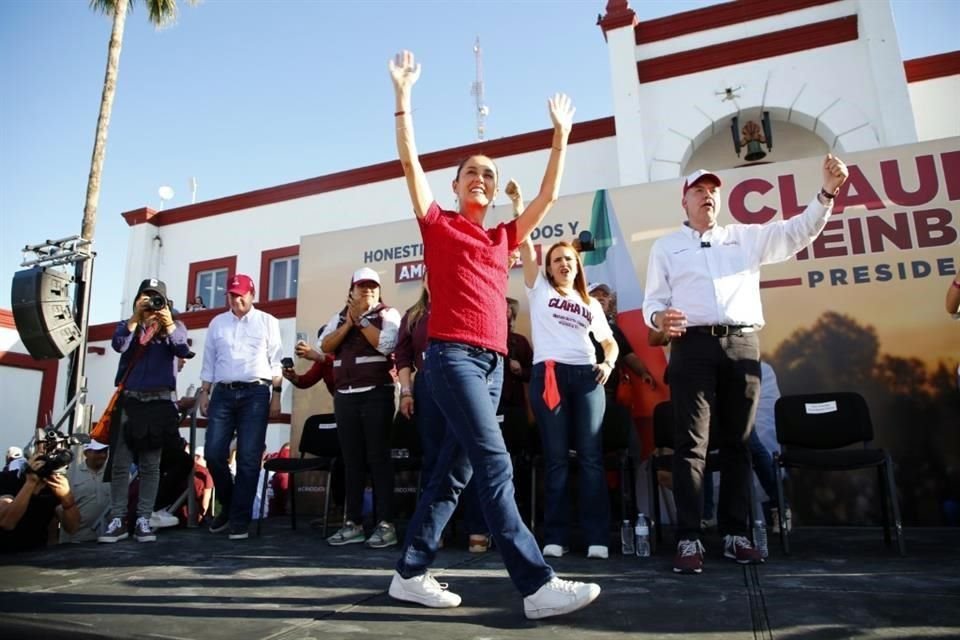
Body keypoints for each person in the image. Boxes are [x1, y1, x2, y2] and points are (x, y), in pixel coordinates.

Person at [387, 49, 599, 620]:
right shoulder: (439, 224)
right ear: (455, 186)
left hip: (494, 364)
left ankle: (409, 572)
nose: (481, 178)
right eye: (471, 172)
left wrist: (561, 136)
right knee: (495, 465)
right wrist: (403, 99)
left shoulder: (503, 237)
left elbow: (549, 198)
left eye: (490, 173)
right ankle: (536, 585)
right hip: (452, 358)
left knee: (453, 474)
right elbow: (409, 166)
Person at [642, 155, 849, 574]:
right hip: (692, 349)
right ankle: (689, 538)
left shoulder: (745, 237)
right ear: (685, 201)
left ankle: (737, 535)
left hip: (741, 344)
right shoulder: (666, 246)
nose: (708, 198)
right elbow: (653, 304)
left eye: (713, 192)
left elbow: (797, 232)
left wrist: (826, 193)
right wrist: (659, 319)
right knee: (691, 446)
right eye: (699, 191)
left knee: (738, 443)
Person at [396, 276, 490, 553]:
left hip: (463, 384)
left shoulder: (464, 304)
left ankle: (477, 528)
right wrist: (407, 392)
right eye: (430, 274)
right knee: (434, 459)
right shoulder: (414, 315)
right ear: (425, 280)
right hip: (427, 385)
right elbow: (402, 356)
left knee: (466, 457)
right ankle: (434, 531)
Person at [99, 278, 191, 544]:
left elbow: (182, 348)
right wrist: (134, 318)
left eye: (156, 298)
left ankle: (143, 517)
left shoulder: (175, 327)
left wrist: (168, 322)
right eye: (146, 297)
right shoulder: (131, 324)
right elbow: (119, 345)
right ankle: (118, 519)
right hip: (131, 400)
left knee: (151, 464)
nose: (152, 303)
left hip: (159, 402)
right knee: (120, 462)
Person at [319, 266, 401, 549]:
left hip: (377, 393)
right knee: (352, 460)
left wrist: (363, 322)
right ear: (351, 291)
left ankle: (386, 524)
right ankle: (353, 523)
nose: (367, 290)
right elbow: (326, 345)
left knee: (378, 459)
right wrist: (349, 323)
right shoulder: (338, 317)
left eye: (372, 287)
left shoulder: (388, 314)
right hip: (345, 396)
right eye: (361, 286)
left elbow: (388, 344)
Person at [198, 273, 283, 541]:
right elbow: (209, 360)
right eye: (232, 295)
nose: (236, 300)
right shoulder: (217, 323)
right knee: (212, 452)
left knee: (248, 457)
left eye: (240, 294)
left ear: (251, 294)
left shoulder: (268, 322)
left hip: (256, 392)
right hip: (222, 392)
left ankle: (238, 517)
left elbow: (276, 362)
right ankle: (232, 502)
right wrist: (204, 391)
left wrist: (277, 395)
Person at [0, 452, 81, 552]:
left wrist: (67, 499)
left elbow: (72, 528)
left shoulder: (52, 487)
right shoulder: (7, 480)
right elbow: (7, 523)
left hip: (35, 554)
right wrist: (30, 482)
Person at [60, 441, 111, 544]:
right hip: (77, 540)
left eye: (105, 451)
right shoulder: (70, 475)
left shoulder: (115, 472)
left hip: (107, 538)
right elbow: (59, 509)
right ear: (86, 453)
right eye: (98, 452)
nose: (103, 455)